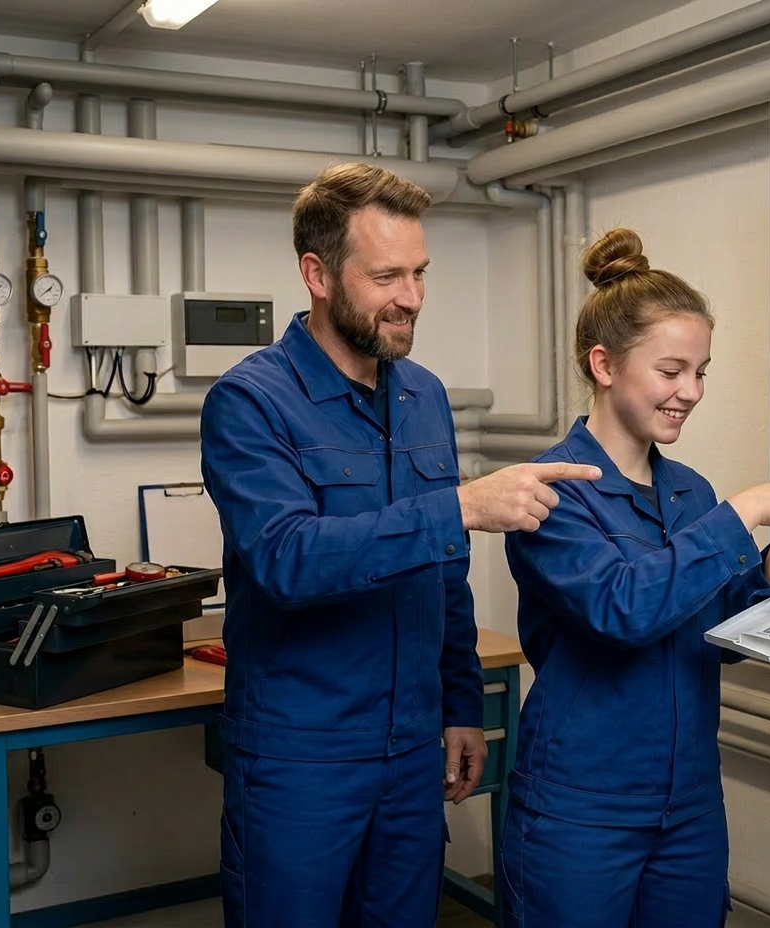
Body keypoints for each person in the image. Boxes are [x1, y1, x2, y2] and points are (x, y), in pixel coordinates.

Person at [199, 162, 601, 928]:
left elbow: (442, 578)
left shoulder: (425, 396)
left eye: (419, 273)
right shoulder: (251, 402)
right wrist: (460, 507)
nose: (411, 297)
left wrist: (459, 706)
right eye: (386, 276)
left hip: (412, 752)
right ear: (317, 275)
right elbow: (287, 558)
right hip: (301, 760)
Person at [498, 228, 770, 928]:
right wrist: (747, 510)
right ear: (604, 364)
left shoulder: (689, 491)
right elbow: (622, 610)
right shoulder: (549, 493)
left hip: (689, 803)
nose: (691, 392)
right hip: (581, 808)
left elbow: (705, 632)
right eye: (671, 371)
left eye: (701, 372)